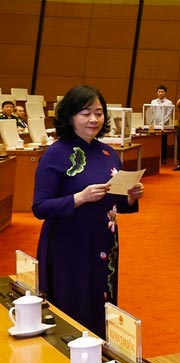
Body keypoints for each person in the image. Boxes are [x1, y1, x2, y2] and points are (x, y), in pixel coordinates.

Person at [32, 84, 144, 339]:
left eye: (99, 112)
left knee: (102, 302)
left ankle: (99, 352)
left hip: (105, 242)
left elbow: (115, 203)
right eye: (85, 113)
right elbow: (40, 207)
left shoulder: (108, 152)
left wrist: (130, 196)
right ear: (70, 116)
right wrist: (79, 198)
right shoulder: (56, 154)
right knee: (73, 307)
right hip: (69, 246)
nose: (94, 119)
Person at [150, 84, 173, 164]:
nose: (160, 93)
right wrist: (153, 123)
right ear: (157, 92)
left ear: (165, 93)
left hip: (164, 125)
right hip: (155, 125)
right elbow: (151, 112)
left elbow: (168, 114)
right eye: (159, 91)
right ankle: (155, 157)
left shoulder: (169, 102)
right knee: (155, 141)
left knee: (163, 142)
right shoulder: (153, 102)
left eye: (162, 92)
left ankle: (163, 158)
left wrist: (161, 123)